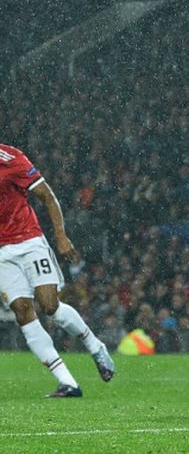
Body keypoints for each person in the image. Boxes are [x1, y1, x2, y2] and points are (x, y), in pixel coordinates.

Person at [0, 143, 115, 397]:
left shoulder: (11, 159)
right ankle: (68, 382)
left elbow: (47, 196)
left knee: (49, 305)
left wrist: (61, 237)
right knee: (22, 312)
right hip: (2, 253)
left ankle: (95, 347)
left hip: (29, 242)